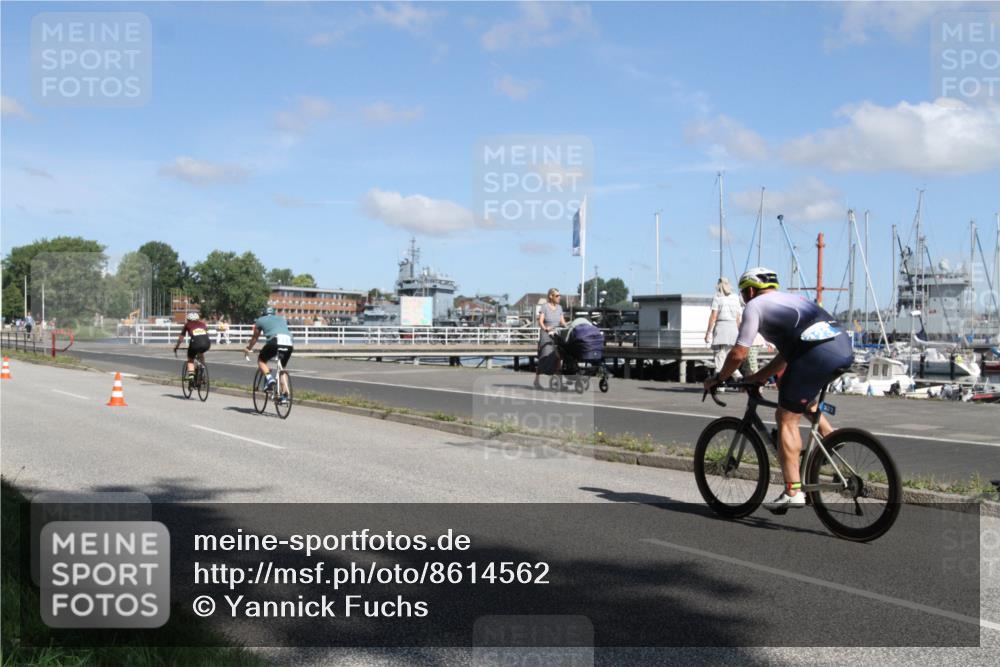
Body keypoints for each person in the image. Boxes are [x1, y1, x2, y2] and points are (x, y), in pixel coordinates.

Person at [703, 267, 853, 513]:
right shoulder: (794, 300)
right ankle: (831, 436)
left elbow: (738, 353)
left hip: (816, 353)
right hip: (842, 348)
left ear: (750, 290)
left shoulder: (755, 306)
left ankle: (793, 491)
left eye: (743, 293)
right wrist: (758, 378)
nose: (744, 298)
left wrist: (718, 378)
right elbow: (786, 356)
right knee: (795, 395)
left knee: (785, 417)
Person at [244, 306, 294, 401]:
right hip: (289, 343)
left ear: (263, 313)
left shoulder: (260, 320)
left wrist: (248, 348)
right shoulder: (281, 318)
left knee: (261, 360)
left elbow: (255, 338)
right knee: (282, 369)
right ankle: (285, 395)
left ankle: (270, 379)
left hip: (274, 341)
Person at [704, 277, 742, 380]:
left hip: (721, 329)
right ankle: (739, 378)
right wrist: (740, 333)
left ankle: (719, 383)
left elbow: (713, 316)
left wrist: (708, 333)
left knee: (720, 358)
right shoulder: (736, 297)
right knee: (729, 357)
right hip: (734, 329)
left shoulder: (718, 297)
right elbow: (738, 318)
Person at [534, 288, 567, 389]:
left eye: (559, 295)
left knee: (558, 357)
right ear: (551, 296)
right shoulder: (545, 307)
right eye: (557, 296)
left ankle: (558, 382)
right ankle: (537, 381)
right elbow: (541, 322)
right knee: (544, 357)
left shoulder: (560, 308)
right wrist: (546, 329)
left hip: (556, 334)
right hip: (546, 334)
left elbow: (562, 322)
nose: (559, 297)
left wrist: (568, 327)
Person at [173, 312, 212, 383]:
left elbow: (181, 338)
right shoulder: (203, 324)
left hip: (195, 344)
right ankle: (202, 370)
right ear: (198, 319)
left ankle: (191, 376)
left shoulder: (187, 325)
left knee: (190, 359)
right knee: (201, 354)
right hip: (207, 343)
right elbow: (206, 334)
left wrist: (176, 347)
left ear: (188, 319)